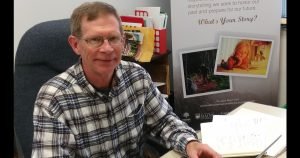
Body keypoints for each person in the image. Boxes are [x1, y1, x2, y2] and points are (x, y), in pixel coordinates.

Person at [31, 2, 221, 158]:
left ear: (123, 41)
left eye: (113, 38)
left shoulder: (136, 76)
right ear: (75, 45)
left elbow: (164, 121)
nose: (107, 49)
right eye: (95, 40)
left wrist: (191, 143)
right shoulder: (54, 99)